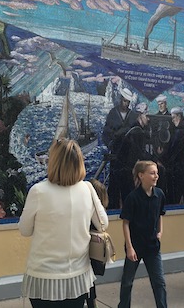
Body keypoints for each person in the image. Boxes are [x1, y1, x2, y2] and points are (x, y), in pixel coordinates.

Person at [19, 139, 108, 307]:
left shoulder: (38, 191)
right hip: (78, 276)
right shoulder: (87, 189)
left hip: (43, 276)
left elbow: (25, 230)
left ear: (53, 161)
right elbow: (103, 223)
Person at [118, 160, 168, 308]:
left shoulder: (159, 195)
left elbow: (159, 214)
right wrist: (129, 247)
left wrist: (160, 232)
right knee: (127, 282)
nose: (156, 176)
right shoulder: (133, 198)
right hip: (136, 246)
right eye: (152, 173)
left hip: (153, 246)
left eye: (157, 173)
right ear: (141, 175)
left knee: (159, 282)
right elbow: (126, 222)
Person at [102, 87, 139, 208]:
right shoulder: (112, 113)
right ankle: (113, 211)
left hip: (128, 160)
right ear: (120, 100)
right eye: (124, 101)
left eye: (128, 102)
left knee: (128, 187)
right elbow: (106, 133)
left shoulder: (133, 116)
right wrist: (111, 144)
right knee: (114, 187)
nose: (126, 104)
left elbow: (137, 135)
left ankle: (129, 212)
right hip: (116, 158)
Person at [87, 179, 109, 308]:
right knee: (90, 282)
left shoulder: (89, 210)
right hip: (94, 250)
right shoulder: (100, 212)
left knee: (88, 282)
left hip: (86, 250)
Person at [166, 107, 184, 204]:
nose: (173, 120)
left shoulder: (180, 131)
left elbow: (174, 150)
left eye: (174, 118)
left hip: (179, 169)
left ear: (179, 116)